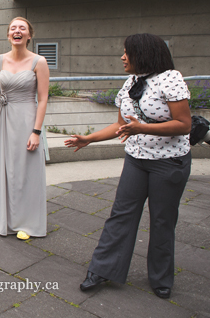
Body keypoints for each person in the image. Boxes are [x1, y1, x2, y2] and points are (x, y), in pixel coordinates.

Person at [65, 33, 192, 299]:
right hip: (136, 159)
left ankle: (161, 278)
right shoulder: (132, 82)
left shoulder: (171, 78)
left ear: (143, 54)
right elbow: (120, 125)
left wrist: (142, 128)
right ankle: (101, 269)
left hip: (169, 163)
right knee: (121, 214)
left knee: (162, 220)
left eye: (127, 52)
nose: (122, 57)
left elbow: (184, 125)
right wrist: (89, 138)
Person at [0, 17, 49, 239]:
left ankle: (27, 223)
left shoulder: (39, 62)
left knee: (26, 170)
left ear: (29, 35)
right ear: (8, 35)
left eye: (22, 28)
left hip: (27, 119)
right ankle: (2, 217)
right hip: (4, 118)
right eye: (13, 28)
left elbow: (44, 98)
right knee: (4, 166)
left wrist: (36, 132)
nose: (17, 31)